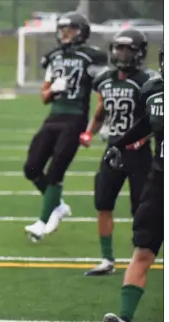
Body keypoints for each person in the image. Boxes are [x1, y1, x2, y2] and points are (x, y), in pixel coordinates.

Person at [23, 11, 108, 241]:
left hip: (75, 118)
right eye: (63, 30)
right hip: (54, 117)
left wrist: (93, 128)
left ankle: (42, 223)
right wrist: (53, 90)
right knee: (31, 168)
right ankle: (58, 206)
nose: (65, 34)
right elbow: (44, 96)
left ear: (82, 32)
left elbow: (103, 93)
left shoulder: (92, 57)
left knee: (56, 171)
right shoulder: (54, 57)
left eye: (70, 29)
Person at [80, 29, 153, 276]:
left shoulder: (147, 82)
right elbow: (101, 111)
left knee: (141, 209)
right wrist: (90, 131)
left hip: (139, 154)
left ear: (139, 53)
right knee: (103, 202)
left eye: (128, 49)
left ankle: (139, 259)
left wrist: (140, 140)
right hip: (113, 150)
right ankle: (107, 260)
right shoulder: (105, 80)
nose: (121, 53)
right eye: (118, 48)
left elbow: (154, 120)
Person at [102, 46, 163, 322]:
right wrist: (119, 144)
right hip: (160, 179)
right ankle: (125, 317)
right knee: (143, 249)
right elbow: (144, 125)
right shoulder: (153, 91)